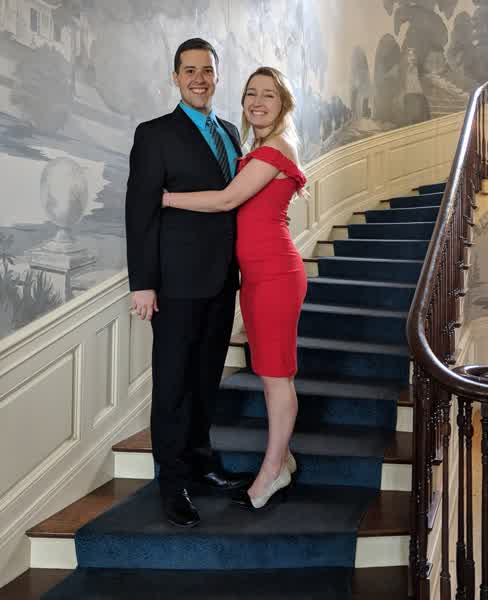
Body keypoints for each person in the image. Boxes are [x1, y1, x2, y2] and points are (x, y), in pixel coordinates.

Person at [162, 67, 307, 510]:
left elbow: (226, 200)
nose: (257, 102)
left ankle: (271, 472)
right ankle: (283, 458)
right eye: (251, 94)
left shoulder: (275, 148)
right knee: (271, 373)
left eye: (269, 95)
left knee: (275, 377)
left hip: (276, 276)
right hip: (258, 277)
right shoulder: (257, 148)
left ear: (283, 104)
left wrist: (165, 197)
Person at [125, 38, 252, 529]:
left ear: (217, 77)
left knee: (204, 379)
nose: (200, 79)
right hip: (175, 283)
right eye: (190, 70)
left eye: (207, 70)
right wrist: (143, 283)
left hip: (222, 281)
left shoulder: (230, 132)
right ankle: (172, 482)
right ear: (175, 78)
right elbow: (139, 211)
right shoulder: (154, 134)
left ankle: (201, 462)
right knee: (174, 384)